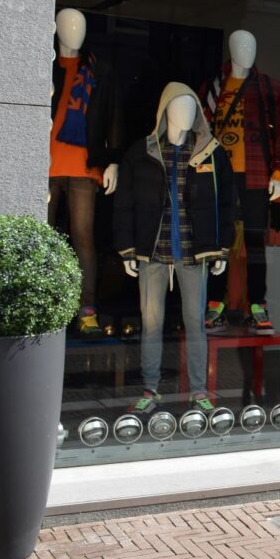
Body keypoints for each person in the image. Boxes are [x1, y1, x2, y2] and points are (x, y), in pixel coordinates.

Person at [114, 83, 236, 415]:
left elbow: (227, 203)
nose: (185, 113)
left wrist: (222, 248)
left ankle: (199, 391)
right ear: (164, 110)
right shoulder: (142, 152)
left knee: (195, 321)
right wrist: (126, 249)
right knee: (151, 322)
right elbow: (125, 202)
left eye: (191, 106)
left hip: (195, 252)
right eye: (178, 106)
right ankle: (150, 388)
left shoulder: (211, 153)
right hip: (152, 250)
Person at [199, 30, 280, 335]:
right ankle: (215, 305)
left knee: (255, 242)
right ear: (230, 48)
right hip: (220, 173)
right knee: (218, 241)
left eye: (251, 45)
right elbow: (200, 129)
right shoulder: (213, 87)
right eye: (240, 45)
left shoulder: (268, 88)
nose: (246, 50)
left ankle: (257, 306)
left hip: (255, 173)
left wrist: (278, 173)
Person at [49, 8, 121, 336]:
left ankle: (87, 307)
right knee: (43, 237)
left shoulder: (98, 71)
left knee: (83, 238)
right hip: (45, 165)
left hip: (84, 166)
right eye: (68, 25)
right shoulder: (45, 66)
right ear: (55, 28)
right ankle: (45, 302)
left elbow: (112, 117)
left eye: (80, 26)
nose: (74, 31)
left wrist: (113, 161)